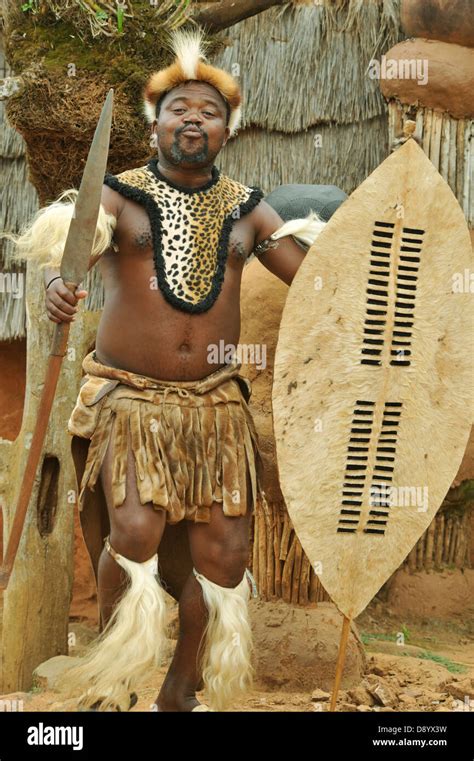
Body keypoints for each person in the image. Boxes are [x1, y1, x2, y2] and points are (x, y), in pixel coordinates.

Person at [10, 27, 325, 712]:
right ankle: (114, 674)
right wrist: (59, 292)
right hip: (133, 402)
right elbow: (68, 268)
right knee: (134, 534)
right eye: (180, 107)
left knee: (225, 557)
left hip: (216, 407)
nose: (193, 118)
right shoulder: (118, 196)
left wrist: (353, 275)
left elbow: (313, 278)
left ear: (227, 130)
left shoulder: (249, 208)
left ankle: (180, 688)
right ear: (157, 122)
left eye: (209, 111)